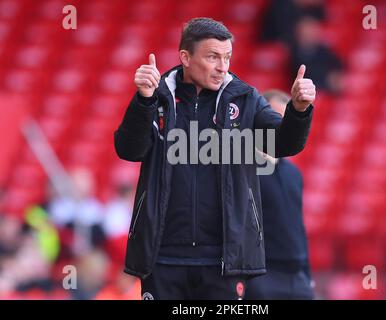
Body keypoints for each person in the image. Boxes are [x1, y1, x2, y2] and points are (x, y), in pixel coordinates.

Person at [114, 17, 316, 300]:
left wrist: (298, 110)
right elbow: (128, 149)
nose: (223, 66)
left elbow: (282, 143)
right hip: (163, 258)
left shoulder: (245, 98)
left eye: (227, 57)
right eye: (212, 57)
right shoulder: (157, 96)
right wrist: (143, 101)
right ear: (185, 57)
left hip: (224, 262)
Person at [245, 90, 314, 300]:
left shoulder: (293, 173)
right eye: (274, 118)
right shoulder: (244, 168)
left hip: (297, 276)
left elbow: (297, 226)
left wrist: (306, 273)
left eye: (284, 119)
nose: (280, 126)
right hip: (261, 275)